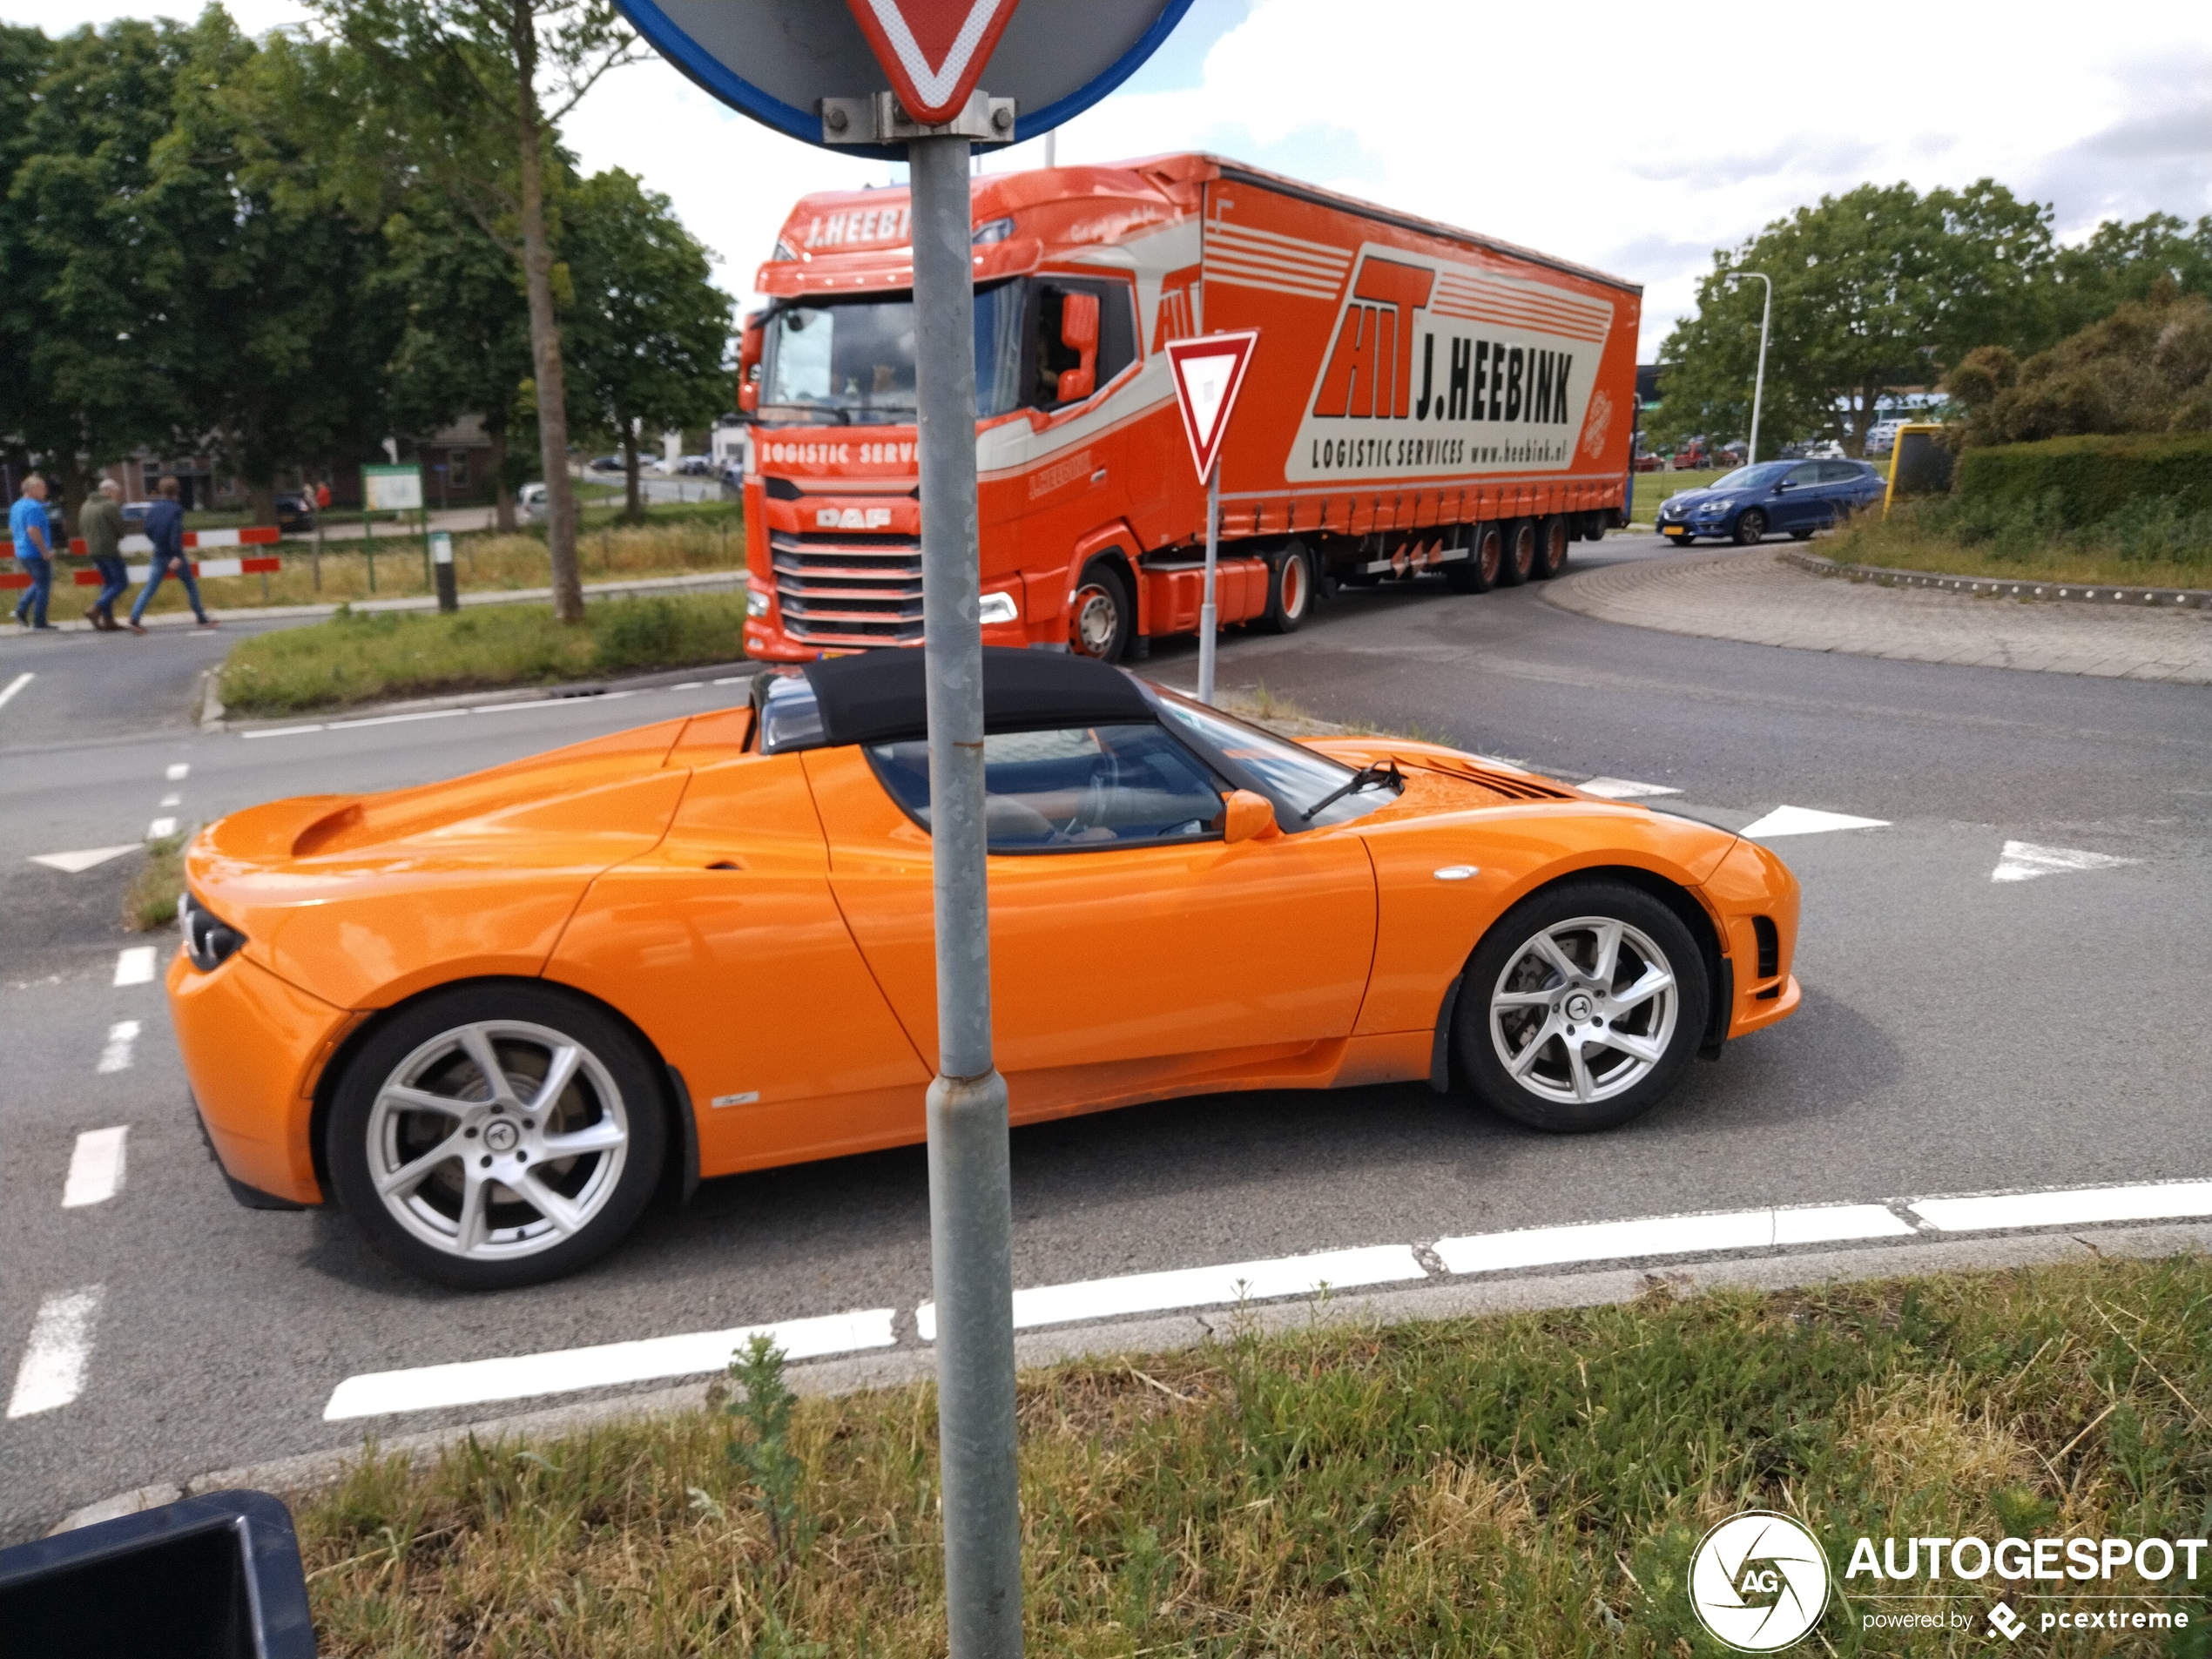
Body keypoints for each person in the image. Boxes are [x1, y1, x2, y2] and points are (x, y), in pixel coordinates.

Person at [127, 476, 215, 633]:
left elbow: (147, 530)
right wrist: (176, 555)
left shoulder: (152, 509)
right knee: (190, 585)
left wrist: (157, 543)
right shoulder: (176, 509)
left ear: (160, 491)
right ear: (177, 491)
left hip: (158, 553)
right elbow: (175, 534)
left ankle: (134, 618)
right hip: (173, 554)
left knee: (150, 588)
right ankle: (201, 617)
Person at [79, 478, 130, 631]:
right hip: (109, 550)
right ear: (109, 491)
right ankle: (95, 608)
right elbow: (120, 530)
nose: (118, 496)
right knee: (121, 583)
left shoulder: (86, 505)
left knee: (108, 584)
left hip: (93, 550)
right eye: (116, 492)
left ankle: (108, 619)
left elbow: (82, 527)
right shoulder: (110, 505)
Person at [9, 474, 56, 631]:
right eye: (42, 488)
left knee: (39, 582)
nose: (46, 491)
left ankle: (21, 610)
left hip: (21, 551)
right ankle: (40, 622)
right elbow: (33, 530)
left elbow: (12, 528)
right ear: (33, 489)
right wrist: (44, 550)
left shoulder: (16, 506)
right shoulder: (34, 507)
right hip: (35, 552)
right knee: (44, 585)